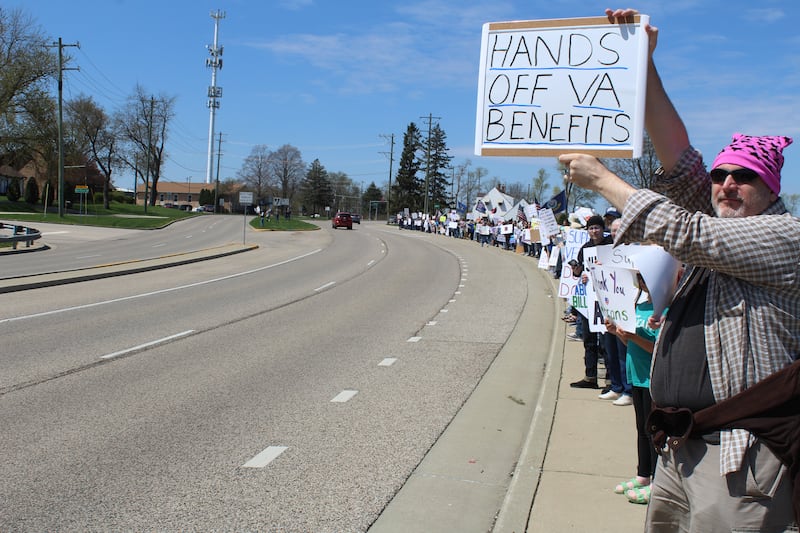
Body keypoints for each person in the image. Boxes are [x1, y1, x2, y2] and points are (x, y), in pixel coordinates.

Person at [558, 8, 800, 531]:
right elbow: (679, 158)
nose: (727, 184)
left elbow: (690, 234)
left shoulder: (787, 237)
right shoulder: (715, 207)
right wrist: (639, 63)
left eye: (745, 177)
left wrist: (603, 179)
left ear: (773, 189)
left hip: (742, 454)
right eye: (721, 174)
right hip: (678, 447)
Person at [605, 274, 660, 504]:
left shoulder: (662, 309)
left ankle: (658, 484)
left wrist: (634, 337)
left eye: (645, 278)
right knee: (641, 428)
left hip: (651, 377)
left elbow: (657, 347)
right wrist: (617, 333)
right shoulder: (641, 304)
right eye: (640, 279)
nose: (642, 283)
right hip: (636, 376)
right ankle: (643, 475)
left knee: (653, 431)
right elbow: (630, 341)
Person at [569, 214, 613, 389]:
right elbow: (579, 273)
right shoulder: (585, 248)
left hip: (607, 300)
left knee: (605, 340)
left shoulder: (610, 245)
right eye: (591, 228)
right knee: (588, 339)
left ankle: (611, 379)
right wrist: (578, 271)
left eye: (597, 228)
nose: (594, 231)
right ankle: (590, 377)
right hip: (589, 301)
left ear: (603, 229)